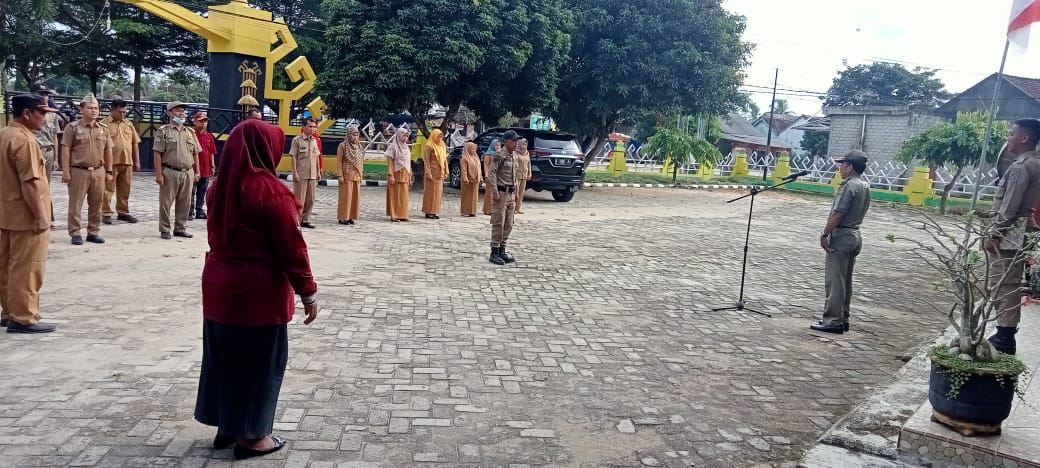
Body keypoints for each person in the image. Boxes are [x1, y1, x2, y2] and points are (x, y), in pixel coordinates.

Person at [195, 119, 319, 460]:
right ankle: (252, 438)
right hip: (258, 293)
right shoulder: (270, 191)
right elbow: (292, 249)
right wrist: (307, 291)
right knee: (260, 364)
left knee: (225, 359)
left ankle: (227, 426)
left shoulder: (219, 187)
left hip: (220, 289)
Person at [0, 94, 57, 333]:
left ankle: (9, 311)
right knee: (27, 267)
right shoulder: (25, 140)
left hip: (7, 212)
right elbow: (30, 182)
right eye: (41, 113)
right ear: (26, 113)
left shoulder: (4, 134)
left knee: (7, 266)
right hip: (26, 216)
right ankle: (24, 317)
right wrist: (41, 215)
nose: (44, 118)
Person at [984, 118, 1040, 355]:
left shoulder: (1020, 167)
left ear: (1024, 138)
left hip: (1010, 231)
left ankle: (1005, 336)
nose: (1008, 138)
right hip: (1022, 228)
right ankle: (1005, 332)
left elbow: (1009, 206)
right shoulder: (1035, 164)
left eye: (1011, 134)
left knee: (1004, 282)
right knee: (1010, 280)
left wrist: (994, 233)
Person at [810, 150, 871, 334]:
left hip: (842, 236)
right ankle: (843, 317)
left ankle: (833, 320)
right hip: (855, 234)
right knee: (846, 280)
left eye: (842, 164)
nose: (840, 168)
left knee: (835, 280)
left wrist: (825, 233)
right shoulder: (864, 186)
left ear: (850, 167)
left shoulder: (848, 186)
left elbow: (838, 214)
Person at [61, 93, 114, 245]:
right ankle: (75, 232)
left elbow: (108, 150)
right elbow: (65, 149)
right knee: (76, 204)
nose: (94, 111)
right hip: (78, 170)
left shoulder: (103, 129)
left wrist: (109, 171)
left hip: (98, 170)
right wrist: (66, 171)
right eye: (90, 108)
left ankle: (93, 231)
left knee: (97, 204)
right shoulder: (73, 128)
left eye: (96, 108)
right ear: (82, 109)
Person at [154, 101, 201, 240]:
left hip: (187, 171)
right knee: (166, 202)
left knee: (185, 202)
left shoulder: (190, 133)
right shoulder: (163, 131)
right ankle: (164, 229)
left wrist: (197, 172)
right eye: (178, 110)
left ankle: (180, 228)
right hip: (169, 171)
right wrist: (158, 174)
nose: (181, 113)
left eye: (183, 111)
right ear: (169, 113)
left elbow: (196, 153)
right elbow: (157, 153)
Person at [101, 99, 141, 225]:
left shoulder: (128, 124)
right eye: (120, 112)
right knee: (108, 189)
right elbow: (100, 145)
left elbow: (135, 143)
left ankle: (123, 212)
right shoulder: (104, 124)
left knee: (125, 189)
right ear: (112, 110)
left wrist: (137, 161)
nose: (122, 114)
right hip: (111, 162)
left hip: (127, 161)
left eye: (124, 112)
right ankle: (106, 213)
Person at [487, 131, 520, 265]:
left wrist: (516, 192)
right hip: (501, 193)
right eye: (513, 141)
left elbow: (515, 175)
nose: (516, 143)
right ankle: (494, 251)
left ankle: (502, 249)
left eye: (516, 141)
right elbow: (492, 173)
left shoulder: (514, 156)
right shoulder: (499, 155)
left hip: (511, 193)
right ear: (506, 141)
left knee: (509, 223)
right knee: (498, 222)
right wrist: (494, 191)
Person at [290, 118, 320, 228]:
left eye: (314, 126)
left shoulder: (315, 141)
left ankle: (305, 219)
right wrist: (294, 172)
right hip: (301, 174)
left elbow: (317, 156)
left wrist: (318, 171)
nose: (312, 129)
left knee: (311, 199)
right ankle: (296, 220)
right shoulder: (297, 140)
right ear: (303, 127)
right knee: (299, 199)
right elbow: (293, 156)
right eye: (310, 126)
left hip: (312, 174)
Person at [190, 112, 217, 220]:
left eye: (205, 121)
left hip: (205, 168)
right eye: (201, 121)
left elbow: (211, 152)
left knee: (202, 190)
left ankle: (199, 210)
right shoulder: (191, 134)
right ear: (195, 122)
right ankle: (190, 211)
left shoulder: (208, 136)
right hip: (193, 168)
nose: (204, 123)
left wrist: (212, 166)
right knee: (190, 191)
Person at [30, 83, 61, 173]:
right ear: (32, 95)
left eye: (46, 94)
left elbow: (55, 136)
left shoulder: (53, 114)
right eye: (41, 94)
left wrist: (55, 159)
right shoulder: (27, 113)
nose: (44, 97)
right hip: (33, 151)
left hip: (48, 151)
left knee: (46, 184)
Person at [337, 127, 364, 224]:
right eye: (353, 135)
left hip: (356, 175)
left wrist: (361, 174)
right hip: (346, 174)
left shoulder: (359, 147)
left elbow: (361, 162)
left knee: (354, 198)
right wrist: (340, 175)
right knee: (346, 197)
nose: (355, 137)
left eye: (357, 135)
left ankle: (351, 216)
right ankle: (343, 217)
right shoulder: (343, 146)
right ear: (348, 135)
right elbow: (339, 162)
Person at [385, 127, 411, 222]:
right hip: (396, 174)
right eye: (404, 135)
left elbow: (408, 162)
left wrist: (410, 173)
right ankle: (394, 215)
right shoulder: (393, 147)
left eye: (407, 136)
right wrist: (390, 175)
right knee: (395, 195)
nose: (405, 138)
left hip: (405, 174)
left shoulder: (406, 147)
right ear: (399, 135)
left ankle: (403, 214)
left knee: (404, 195)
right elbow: (390, 163)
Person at [422, 129, 448, 219]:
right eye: (438, 136)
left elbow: (445, 159)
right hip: (432, 172)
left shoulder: (442, 145)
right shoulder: (429, 146)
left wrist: (446, 170)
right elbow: (426, 161)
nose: (440, 138)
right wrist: (428, 172)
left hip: (440, 172)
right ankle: (428, 211)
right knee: (430, 192)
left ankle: (435, 211)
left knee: (438, 193)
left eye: (441, 136)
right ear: (433, 136)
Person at [459, 142, 481, 217]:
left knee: (474, 196)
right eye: (472, 149)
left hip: (475, 180)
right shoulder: (464, 158)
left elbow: (479, 167)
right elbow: (464, 170)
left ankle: (473, 211)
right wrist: (465, 178)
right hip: (467, 180)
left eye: (475, 149)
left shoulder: (476, 157)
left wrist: (480, 177)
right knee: (467, 196)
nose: (474, 150)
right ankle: (465, 211)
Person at [482, 140, 500, 216]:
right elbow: (486, 165)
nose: (497, 147)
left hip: (498, 175)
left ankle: (494, 209)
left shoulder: (500, 154)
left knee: (496, 192)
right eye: (496, 146)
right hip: (490, 175)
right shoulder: (488, 154)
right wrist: (486, 174)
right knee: (489, 192)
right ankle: (487, 209)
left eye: (499, 145)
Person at [515, 137, 532, 214]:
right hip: (517, 175)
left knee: (521, 193)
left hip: (524, 175)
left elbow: (529, 164)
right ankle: (513, 207)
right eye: (522, 144)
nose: (524, 146)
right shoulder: (515, 152)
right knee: (516, 192)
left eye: (525, 144)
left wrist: (529, 173)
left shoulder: (527, 153)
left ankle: (518, 208)